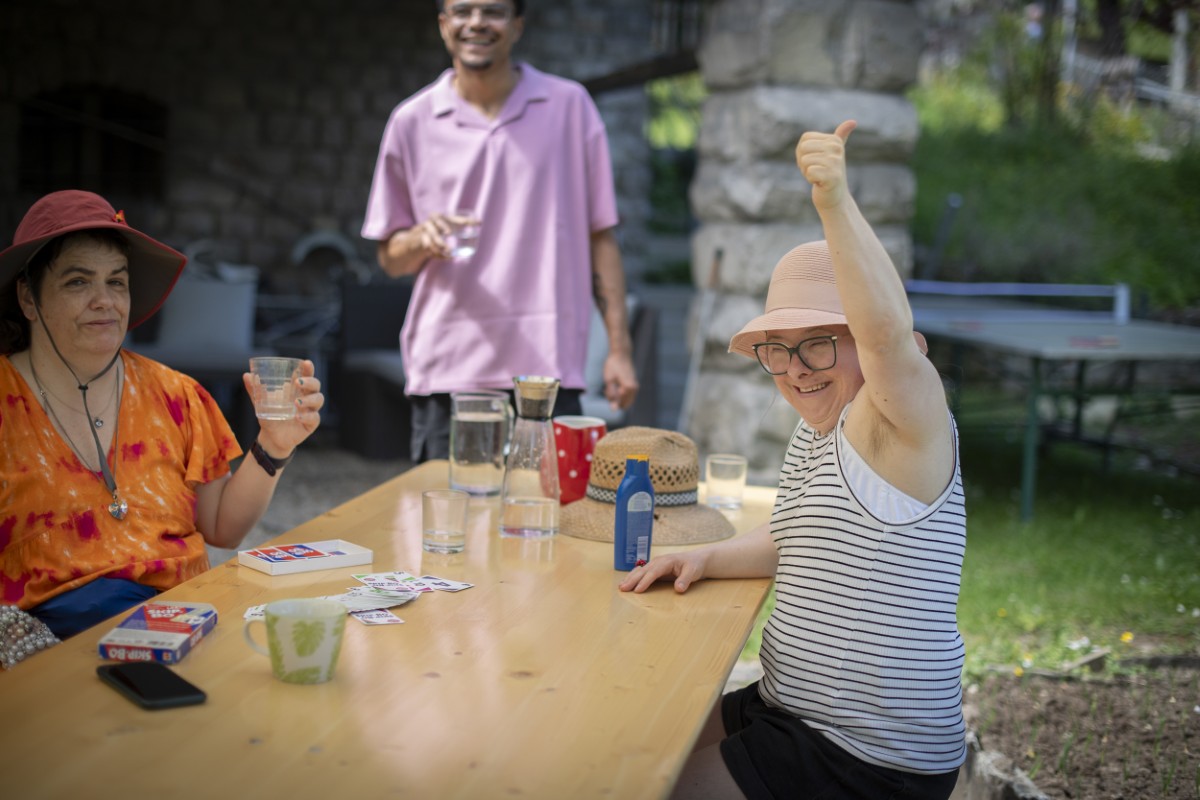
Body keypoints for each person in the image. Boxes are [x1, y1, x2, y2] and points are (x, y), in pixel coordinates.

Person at [620, 121, 966, 800]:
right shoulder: (822, 429)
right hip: (795, 711)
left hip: (869, 757)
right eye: (778, 349)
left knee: (646, 788)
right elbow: (795, 536)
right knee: (638, 745)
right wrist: (705, 558)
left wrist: (834, 198)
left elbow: (887, 336)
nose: (794, 370)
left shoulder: (898, 422)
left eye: (817, 344)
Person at [0, 190, 325, 641]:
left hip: (183, 627)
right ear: (28, 298)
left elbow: (222, 527)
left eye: (116, 281)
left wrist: (274, 444)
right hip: (48, 647)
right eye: (78, 281)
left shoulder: (177, 395)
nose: (104, 300)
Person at [361, 0, 639, 462]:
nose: (477, 22)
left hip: (548, 370)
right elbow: (391, 257)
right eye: (463, 10)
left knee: (547, 526)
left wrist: (619, 350)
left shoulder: (570, 107)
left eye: (492, 11)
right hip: (447, 364)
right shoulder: (411, 121)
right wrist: (420, 238)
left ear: (517, 26)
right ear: (444, 25)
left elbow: (600, 237)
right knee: (448, 531)